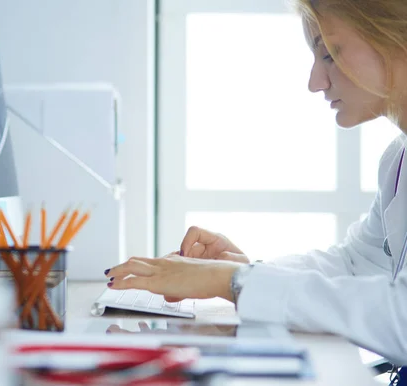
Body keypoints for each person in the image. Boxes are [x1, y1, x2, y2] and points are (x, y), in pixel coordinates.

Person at [104, 0, 407, 376]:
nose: (315, 82)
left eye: (329, 54)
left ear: (395, 35)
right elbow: (355, 265)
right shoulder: (398, 159)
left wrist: (232, 282)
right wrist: (239, 272)